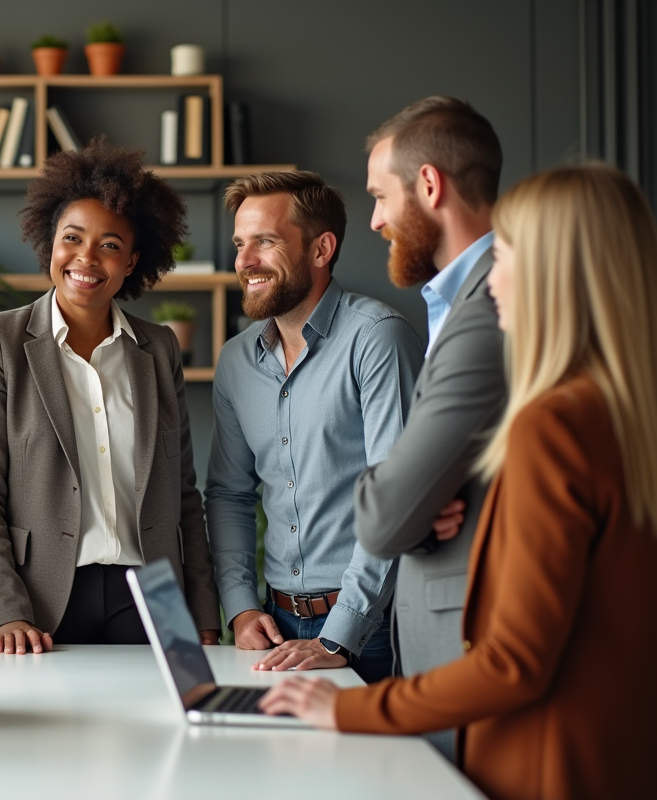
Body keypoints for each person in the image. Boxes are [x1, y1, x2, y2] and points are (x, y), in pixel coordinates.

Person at [260, 164, 657, 800]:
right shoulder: (620, 416)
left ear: (557, 271)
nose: (491, 280)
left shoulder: (552, 425)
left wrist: (343, 709)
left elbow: (512, 664)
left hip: (544, 761)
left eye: (508, 255)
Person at [0, 137, 220, 653]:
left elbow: (184, 494)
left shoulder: (159, 347)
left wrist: (204, 611)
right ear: (50, 243)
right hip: (42, 599)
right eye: (72, 238)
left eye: (110, 245)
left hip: (153, 594)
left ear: (132, 261)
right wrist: (5, 610)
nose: (87, 258)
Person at [205, 171, 423, 684]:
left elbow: (398, 500)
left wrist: (339, 635)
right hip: (273, 627)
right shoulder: (236, 361)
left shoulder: (378, 340)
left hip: (373, 626)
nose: (244, 261)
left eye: (266, 241)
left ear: (322, 249)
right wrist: (239, 608)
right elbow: (229, 494)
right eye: (240, 243)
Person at [353, 97, 507, 759]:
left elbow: (385, 517)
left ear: (429, 186)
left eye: (380, 197)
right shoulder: (461, 301)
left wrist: (401, 497)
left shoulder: (489, 309)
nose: (375, 220)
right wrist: (414, 501)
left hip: (468, 647)